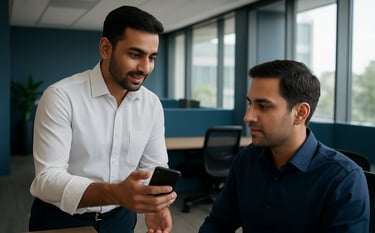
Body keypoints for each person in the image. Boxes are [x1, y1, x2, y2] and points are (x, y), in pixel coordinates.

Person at [29, 5, 177, 233]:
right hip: (62, 219)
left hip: (120, 218)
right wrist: (115, 192)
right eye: (135, 54)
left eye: (152, 57)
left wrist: (155, 206)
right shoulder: (61, 96)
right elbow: (46, 180)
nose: (145, 67)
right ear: (106, 48)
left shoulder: (151, 104)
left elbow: (153, 167)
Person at [199, 60, 370, 233]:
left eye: (263, 106)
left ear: (300, 113)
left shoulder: (344, 179)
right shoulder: (246, 159)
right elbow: (218, 223)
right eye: (250, 104)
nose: (248, 116)